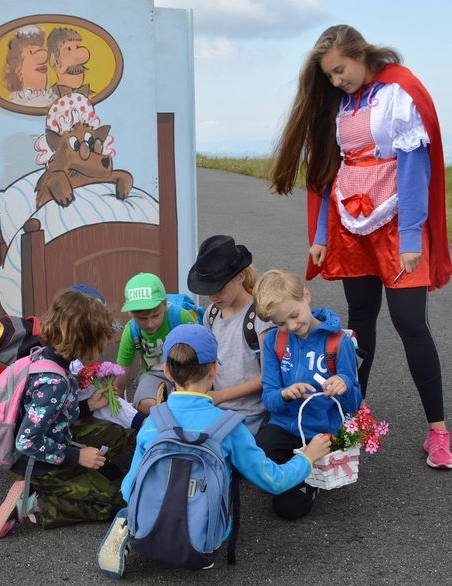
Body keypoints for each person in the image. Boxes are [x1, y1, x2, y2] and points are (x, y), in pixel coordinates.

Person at [270, 24, 452, 469]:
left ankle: (438, 432)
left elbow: (413, 170)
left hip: (396, 225)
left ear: (359, 54)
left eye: (340, 70)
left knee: (411, 324)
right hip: (352, 225)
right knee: (361, 323)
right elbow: (331, 172)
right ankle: (353, 413)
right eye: (329, 75)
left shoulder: (398, 93)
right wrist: (320, 235)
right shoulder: (342, 104)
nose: (336, 81)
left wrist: (412, 237)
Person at [98, 324, 332, 574]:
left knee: (133, 498)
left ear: (167, 371)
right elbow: (273, 481)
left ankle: (134, 525)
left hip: (147, 532)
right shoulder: (228, 427)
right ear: (214, 369)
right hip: (203, 545)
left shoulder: (155, 420)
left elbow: (128, 487)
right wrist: (307, 457)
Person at [0, 289, 132, 538]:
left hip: (55, 441)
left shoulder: (50, 358)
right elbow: (26, 441)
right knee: (117, 503)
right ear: (82, 340)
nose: (104, 344)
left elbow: (52, 414)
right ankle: (33, 502)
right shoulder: (53, 382)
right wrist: (76, 456)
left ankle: (75, 477)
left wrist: (89, 406)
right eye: (99, 338)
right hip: (38, 463)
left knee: (116, 434)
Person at [253, 270, 362, 519]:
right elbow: (268, 398)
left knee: (288, 510)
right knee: (258, 453)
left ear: (306, 295)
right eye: (281, 323)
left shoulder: (338, 342)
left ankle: (309, 482)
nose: (291, 326)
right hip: (284, 427)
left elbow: (354, 402)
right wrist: (285, 394)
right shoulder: (274, 342)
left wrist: (344, 383)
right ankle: (294, 473)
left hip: (319, 434)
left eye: (294, 315)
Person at [188, 235, 272, 435]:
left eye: (219, 287)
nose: (214, 296)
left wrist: (222, 395)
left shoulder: (259, 317)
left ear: (240, 276)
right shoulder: (212, 313)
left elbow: (267, 376)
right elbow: (206, 363)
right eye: (208, 290)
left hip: (251, 416)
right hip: (214, 411)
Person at [113, 272, 198, 414]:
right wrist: (117, 407)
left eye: (155, 316)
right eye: (142, 318)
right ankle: (168, 418)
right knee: (143, 403)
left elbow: (203, 353)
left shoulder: (181, 317)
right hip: (154, 373)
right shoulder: (131, 330)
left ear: (164, 304)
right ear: (130, 314)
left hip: (188, 370)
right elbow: (121, 372)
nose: (150, 323)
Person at [68, 284, 144, 432]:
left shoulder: (73, 363)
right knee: (111, 434)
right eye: (103, 333)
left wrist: (141, 422)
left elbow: (98, 401)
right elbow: (34, 433)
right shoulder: (57, 373)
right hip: (45, 450)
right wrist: (76, 455)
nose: (108, 340)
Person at [3, 25, 58, 108]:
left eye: (41, 49)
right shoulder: (16, 102)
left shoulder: (56, 99)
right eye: (31, 52)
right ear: (17, 67)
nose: (42, 57)